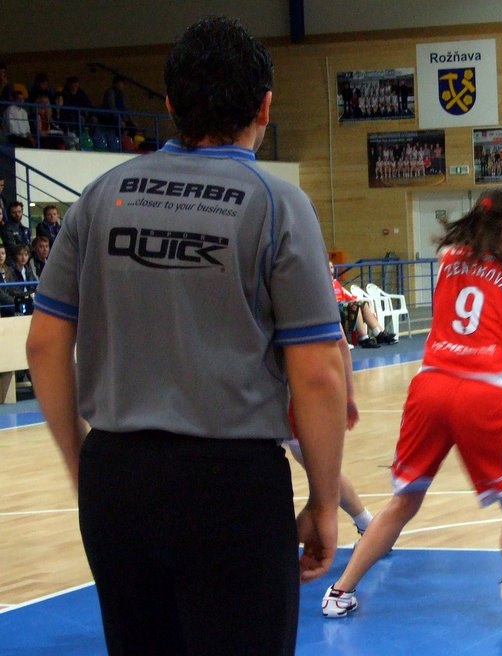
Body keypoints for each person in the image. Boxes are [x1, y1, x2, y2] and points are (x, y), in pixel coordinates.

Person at [26, 16, 346, 655]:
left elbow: (43, 345)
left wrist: (83, 465)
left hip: (116, 479)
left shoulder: (99, 196)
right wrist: (324, 499)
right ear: (264, 106)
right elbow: (318, 372)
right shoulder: (277, 203)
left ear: (170, 104)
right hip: (231, 485)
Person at [321, 189, 502, 621]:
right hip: (484, 394)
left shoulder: (448, 259)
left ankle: (339, 591)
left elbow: (479, 274)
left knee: (404, 501)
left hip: (430, 388)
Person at [286, 327, 374, 539]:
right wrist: (349, 395)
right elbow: (342, 342)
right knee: (321, 472)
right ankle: (366, 524)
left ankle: (367, 525)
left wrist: (349, 395)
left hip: (299, 392)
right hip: (301, 388)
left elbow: (341, 342)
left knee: (321, 474)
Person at [331, 261, 398, 348]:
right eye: (328, 267)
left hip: (344, 304)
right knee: (355, 306)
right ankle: (364, 339)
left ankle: (380, 334)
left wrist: (356, 299)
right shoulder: (325, 284)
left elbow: (347, 295)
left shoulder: (336, 283)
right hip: (336, 306)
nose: (330, 269)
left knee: (363, 304)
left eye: (332, 267)